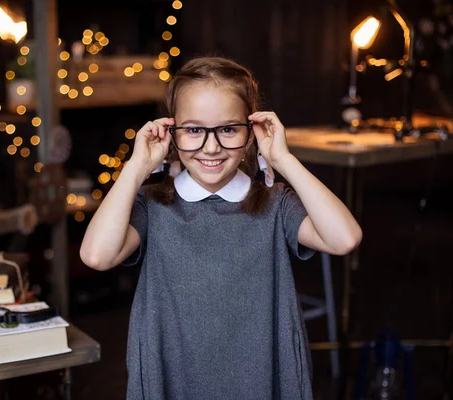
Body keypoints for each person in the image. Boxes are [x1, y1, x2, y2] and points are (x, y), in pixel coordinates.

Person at [80, 56, 362, 399]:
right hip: (175, 381)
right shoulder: (152, 205)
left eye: (228, 129)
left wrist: (283, 159)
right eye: (194, 130)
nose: (210, 147)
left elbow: (344, 238)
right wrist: (136, 167)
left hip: (261, 382)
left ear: (250, 131)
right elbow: (96, 255)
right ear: (171, 132)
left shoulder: (275, 203)